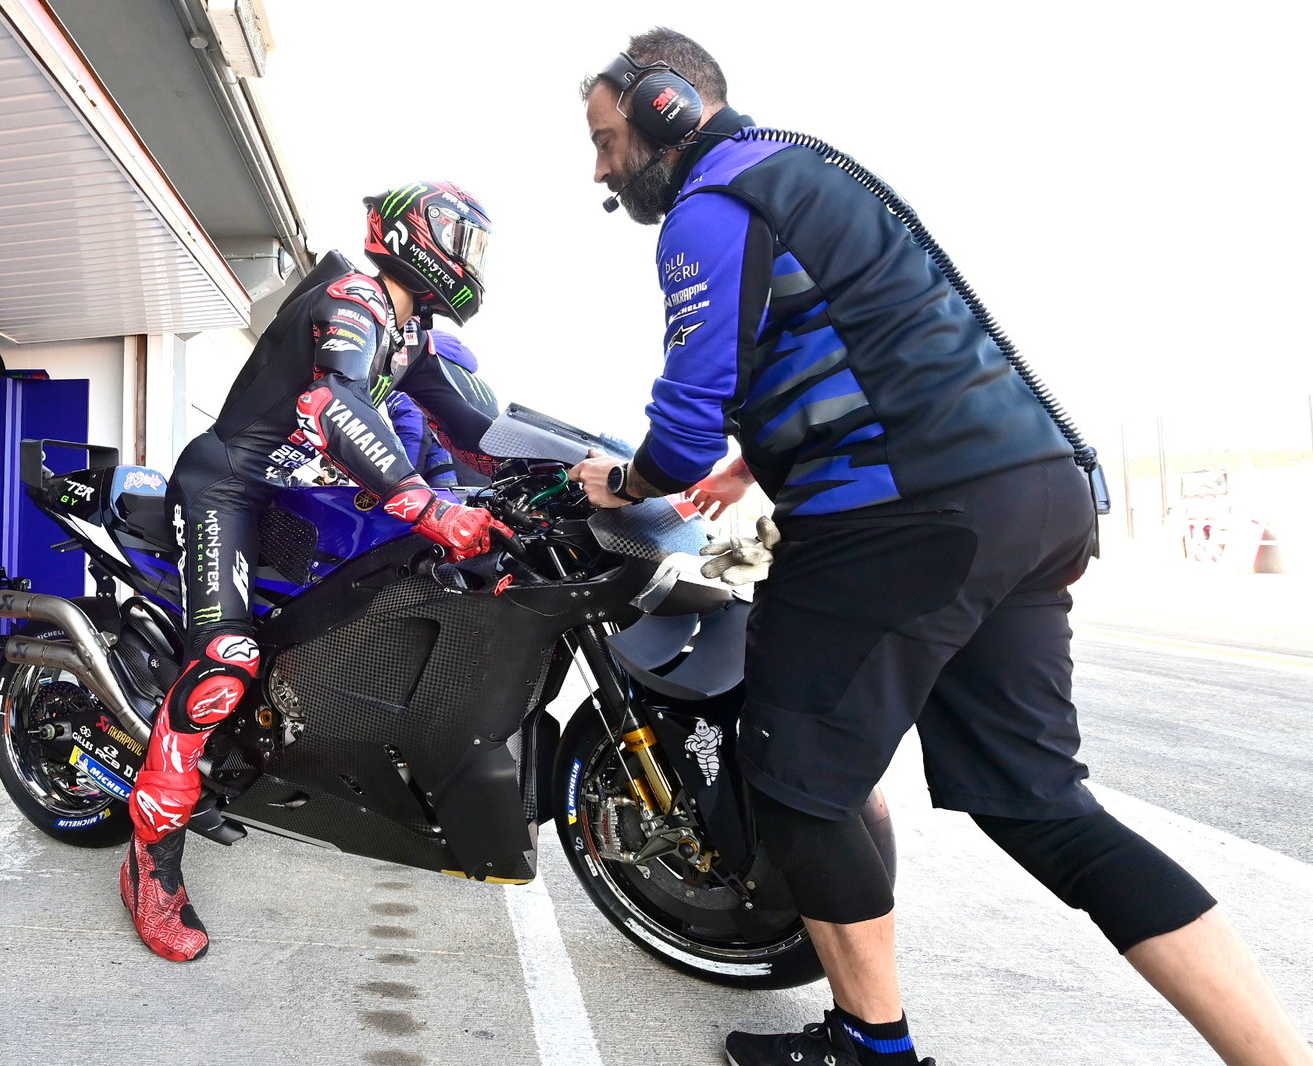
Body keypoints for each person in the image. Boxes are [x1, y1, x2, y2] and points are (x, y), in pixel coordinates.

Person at [570, 29, 1312, 1066]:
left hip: (902, 518)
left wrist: (630, 481)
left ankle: (873, 1051)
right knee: (1042, 807)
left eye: (605, 140)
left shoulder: (707, 206)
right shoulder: (804, 172)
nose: (601, 170)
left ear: (665, 109)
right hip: (1028, 493)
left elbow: (681, 425)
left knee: (794, 777)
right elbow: (871, 341)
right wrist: (755, 457)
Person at [123, 180, 510, 962]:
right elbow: (331, 407)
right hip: (231, 485)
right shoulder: (352, 298)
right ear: (408, 233)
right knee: (223, 666)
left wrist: (585, 472)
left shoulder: (409, 335)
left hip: (301, 497)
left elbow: (480, 430)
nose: (467, 258)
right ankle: (150, 865)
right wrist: (426, 504)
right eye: (456, 237)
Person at [384, 330, 493, 494]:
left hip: (446, 483)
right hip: (488, 484)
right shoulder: (482, 386)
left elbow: (415, 433)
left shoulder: (414, 371)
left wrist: (399, 484)